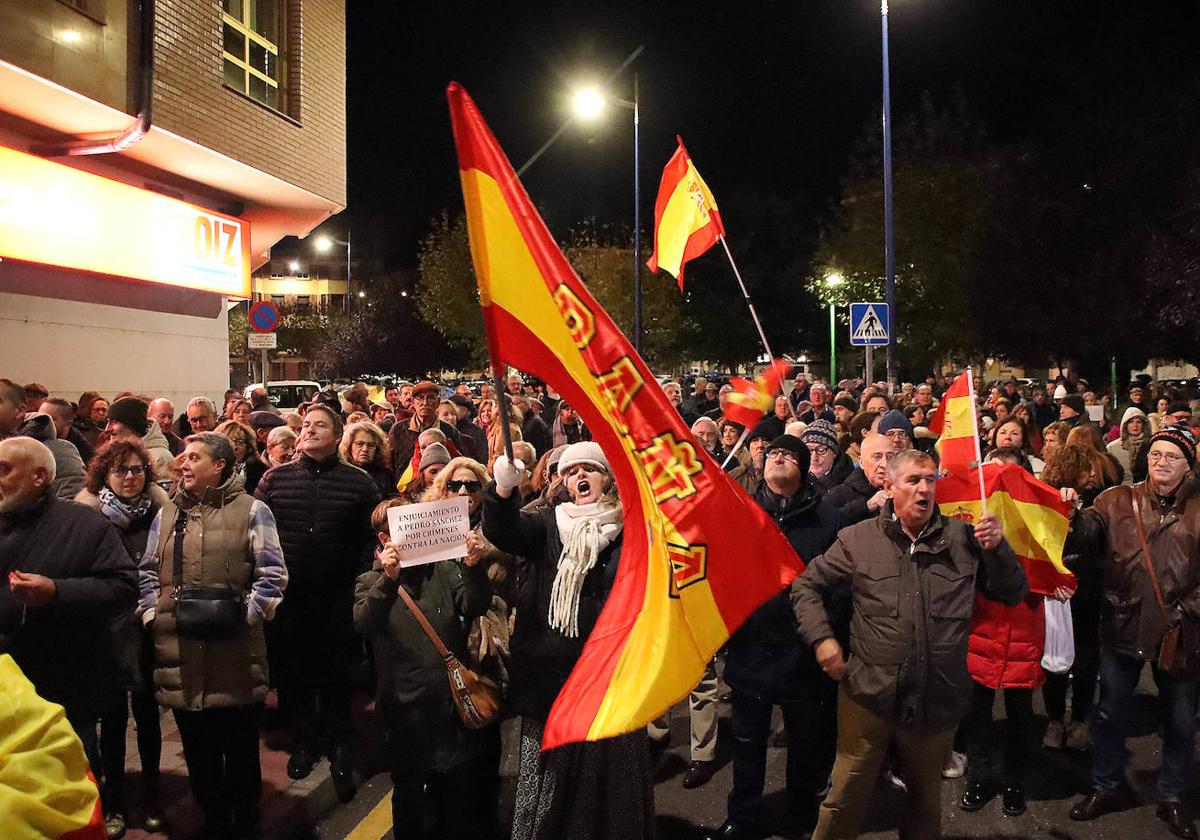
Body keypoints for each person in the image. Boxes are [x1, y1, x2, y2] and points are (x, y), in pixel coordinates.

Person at [792, 448, 1028, 840]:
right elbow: (806, 586)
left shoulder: (964, 540)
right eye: (913, 481)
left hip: (937, 697)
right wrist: (822, 639)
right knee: (845, 794)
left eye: (930, 480)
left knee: (925, 801)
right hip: (869, 693)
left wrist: (998, 550)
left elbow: (1012, 592)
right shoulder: (858, 539)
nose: (924, 489)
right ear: (888, 485)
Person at [484, 442, 652, 840]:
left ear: (606, 479)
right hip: (550, 676)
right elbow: (504, 530)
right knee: (547, 778)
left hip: (610, 674)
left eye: (589, 469)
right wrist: (503, 490)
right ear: (562, 480)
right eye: (571, 470)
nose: (580, 476)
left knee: (608, 776)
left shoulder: (630, 528)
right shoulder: (544, 524)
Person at [137, 433, 287, 839]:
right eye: (183, 457)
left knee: (239, 750)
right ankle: (215, 818)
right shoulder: (167, 514)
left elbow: (272, 574)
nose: (183, 464)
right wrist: (153, 614)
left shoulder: (253, 510)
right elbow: (148, 570)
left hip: (234, 653)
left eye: (194, 457)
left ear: (219, 465)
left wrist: (248, 617)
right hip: (180, 653)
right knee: (199, 752)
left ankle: (245, 819)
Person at [1068, 425, 1200, 839]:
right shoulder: (1115, 500)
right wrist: (1071, 513)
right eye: (1156, 454)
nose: (1161, 462)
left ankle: (1173, 796)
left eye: (1172, 456)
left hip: (1179, 631)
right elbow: (1086, 534)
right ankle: (1105, 786)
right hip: (1122, 623)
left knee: (1180, 720)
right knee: (1109, 713)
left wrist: (1187, 610)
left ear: (1189, 467)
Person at [710, 435, 843, 839]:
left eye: (788, 454)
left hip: (804, 656)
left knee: (806, 747)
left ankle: (801, 817)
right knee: (747, 744)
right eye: (772, 453)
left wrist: (825, 636)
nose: (778, 457)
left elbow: (839, 585)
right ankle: (743, 817)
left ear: (803, 468)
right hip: (752, 650)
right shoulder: (740, 514)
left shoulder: (829, 520)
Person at [253, 404, 380, 800]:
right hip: (290, 599)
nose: (307, 430)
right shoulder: (274, 479)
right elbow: (257, 534)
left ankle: (339, 741)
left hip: (338, 596)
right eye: (305, 425)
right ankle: (305, 739)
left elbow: (369, 538)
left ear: (337, 433)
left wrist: (359, 579)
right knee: (295, 673)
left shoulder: (359, 483)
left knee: (336, 673)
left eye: (318, 425)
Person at [0, 437, 138, 800]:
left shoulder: (83, 524)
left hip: (62, 682)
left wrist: (57, 591)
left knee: (72, 782)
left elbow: (123, 587)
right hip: (4, 689)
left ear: (40, 476)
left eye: (4, 470)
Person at [354, 497, 495, 840]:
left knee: (455, 799)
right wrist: (387, 580)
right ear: (384, 540)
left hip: (449, 707)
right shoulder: (369, 581)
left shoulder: (444, 570)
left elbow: (475, 604)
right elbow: (363, 622)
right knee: (410, 800)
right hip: (405, 712)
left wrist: (474, 566)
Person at [76, 440, 169, 836]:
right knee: (112, 719)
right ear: (104, 476)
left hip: (148, 629)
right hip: (107, 632)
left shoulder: (162, 515)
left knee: (149, 716)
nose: (130, 477)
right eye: (120, 470)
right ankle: (112, 798)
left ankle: (151, 792)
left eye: (136, 469)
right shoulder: (88, 519)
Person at [1039, 445, 1107, 753]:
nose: (1092, 474)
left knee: (1085, 662)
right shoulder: (1044, 502)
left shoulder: (1099, 501)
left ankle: (1079, 720)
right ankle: (1055, 720)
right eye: (1086, 469)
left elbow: (1098, 545)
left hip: (1087, 595)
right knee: (1054, 659)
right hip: (1056, 595)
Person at [388, 380, 464, 479]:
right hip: (404, 490)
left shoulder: (449, 431)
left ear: (437, 403)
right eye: (420, 398)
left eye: (430, 398)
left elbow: (457, 464)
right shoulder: (398, 429)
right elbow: (389, 464)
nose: (425, 402)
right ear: (413, 402)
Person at [823, 432, 894, 525]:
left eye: (890, 457)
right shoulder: (840, 494)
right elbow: (824, 526)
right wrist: (866, 506)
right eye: (877, 457)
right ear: (861, 462)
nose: (885, 464)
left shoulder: (905, 490)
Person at [103, 397, 173, 481]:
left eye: (114, 422)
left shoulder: (162, 458)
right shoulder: (109, 455)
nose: (107, 429)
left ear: (132, 426)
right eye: (108, 422)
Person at [341, 420, 396, 500]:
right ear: (349, 445)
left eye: (371, 445)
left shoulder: (385, 476)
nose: (365, 449)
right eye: (359, 444)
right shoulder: (340, 473)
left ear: (377, 449)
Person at [802, 420, 853, 496]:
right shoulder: (795, 479)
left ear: (834, 452)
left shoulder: (850, 481)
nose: (813, 457)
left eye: (821, 450)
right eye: (808, 450)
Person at [215, 420, 267, 495]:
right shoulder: (210, 471)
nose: (234, 447)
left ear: (249, 448)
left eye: (239, 442)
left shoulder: (260, 472)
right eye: (228, 442)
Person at [40, 397, 95, 463]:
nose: (42, 421)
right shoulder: (31, 438)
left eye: (50, 418)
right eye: (39, 416)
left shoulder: (84, 451)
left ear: (68, 423)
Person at [1106, 407, 1148, 485]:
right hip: (1121, 490)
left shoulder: (1150, 445)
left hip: (1144, 490)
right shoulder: (1112, 447)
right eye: (1131, 422)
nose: (1135, 425)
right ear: (1125, 425)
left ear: (1144, 425)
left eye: (1138, 422)